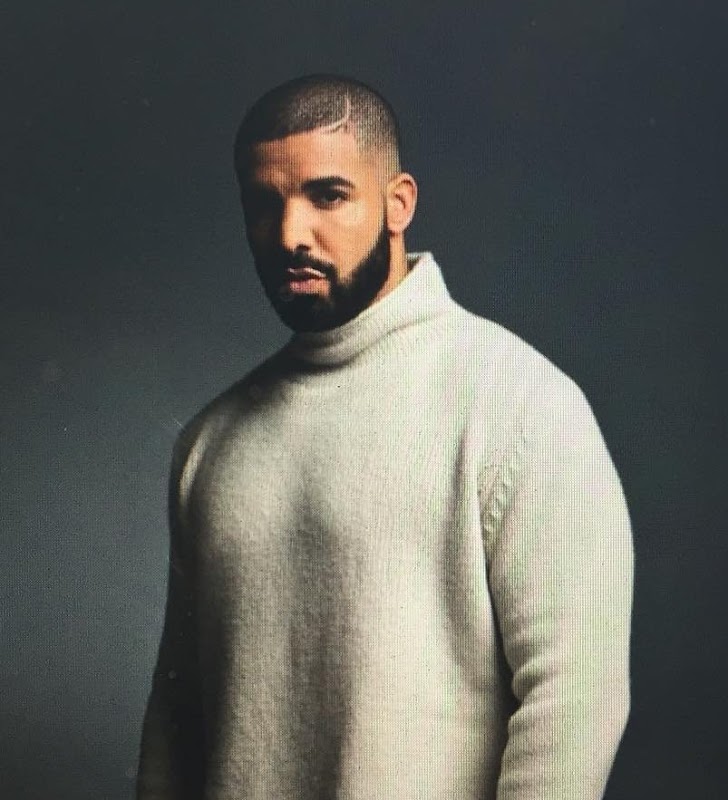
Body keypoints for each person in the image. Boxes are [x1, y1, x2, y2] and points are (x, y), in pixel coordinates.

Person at [136, 74, 634, 800]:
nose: (290, 233)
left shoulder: (521, 402)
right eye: (265, 204)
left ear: (398, 204)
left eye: (327, 196)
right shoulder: (212, 441)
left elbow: (575, 698)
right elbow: (176, 717)